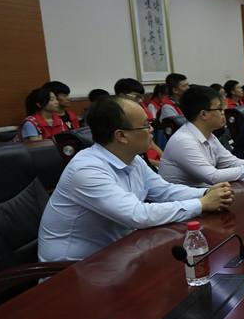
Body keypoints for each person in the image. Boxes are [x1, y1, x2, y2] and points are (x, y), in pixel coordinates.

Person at [37, 96, 233, 262]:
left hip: (118, 253)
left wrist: (207, 192)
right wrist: (201, 204)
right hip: (73, 270)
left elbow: (164, 190)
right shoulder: (86, 170)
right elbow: (137, 215)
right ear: (121, 136)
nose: (151, 129)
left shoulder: (132, 158)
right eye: (145, 125)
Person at [158, 86, 244, 186]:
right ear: (204, 114)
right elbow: (213, 176)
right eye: (220, 109)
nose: (224, 114)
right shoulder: (184, 141)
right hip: (183, 203)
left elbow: (231, 162)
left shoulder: (209, 135)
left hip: (203, 195)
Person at [115, 78, 163, 165]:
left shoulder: (139, 111)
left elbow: (152, 143)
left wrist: (165, 159)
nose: (140, 100)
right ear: (122, 96)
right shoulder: (117, 118)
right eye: (137, 96)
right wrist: (159, 164)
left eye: (141, 97)